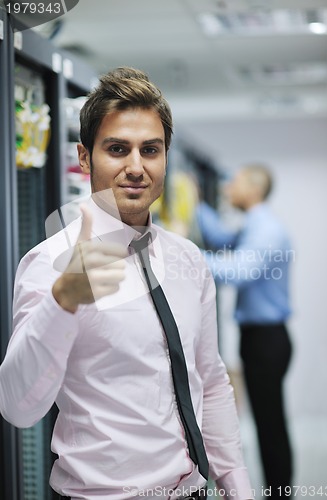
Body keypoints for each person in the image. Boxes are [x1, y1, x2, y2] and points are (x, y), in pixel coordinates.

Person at [0, 67, 253, 500]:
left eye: (150, 150)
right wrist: (63, 301)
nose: (136, 167)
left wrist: (237, 484)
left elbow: (209, 380)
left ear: (165, 156)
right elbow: (18, 407)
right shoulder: (49, 264)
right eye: (117, 149)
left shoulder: (187, 259)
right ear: (84, 158)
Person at [196, 165, 293, 499]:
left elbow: (236, 271)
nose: (226, 189)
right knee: (268, 423)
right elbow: (223, 239)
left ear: (253, 188)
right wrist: (195, 204)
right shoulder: (254, 224)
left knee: (270, 426)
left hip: (267, 339)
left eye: (233, 183)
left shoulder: (265, 230)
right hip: (262, 337)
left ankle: (280, 494)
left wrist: (181, 252)